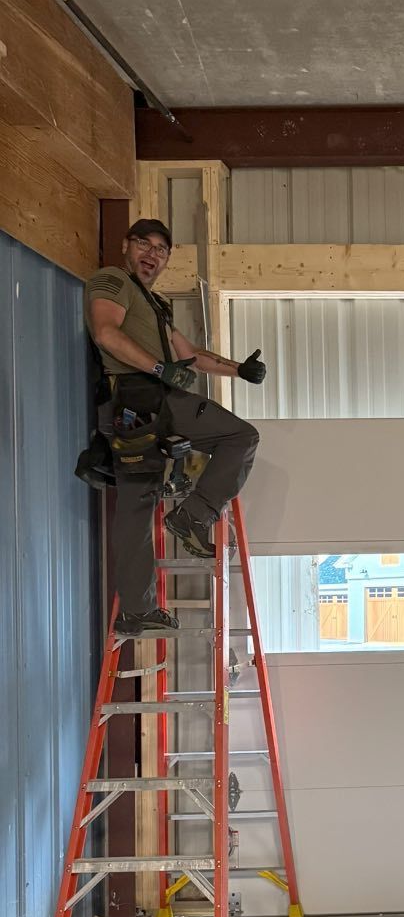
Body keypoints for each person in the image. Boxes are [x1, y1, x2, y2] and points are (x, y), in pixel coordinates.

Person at [84, 217, 266, 638]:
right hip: (139, 399)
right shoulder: (113, 281)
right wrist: (160, 369)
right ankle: (191, 518)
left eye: (161, 250)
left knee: (139, 504)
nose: (152, 255)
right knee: (239, 438)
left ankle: (137, 610)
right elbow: (106, 333)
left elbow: (189, 355)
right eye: (144, 245)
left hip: (148, 402)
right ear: (126, 246)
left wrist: (239, 369)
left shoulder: (155, 304)